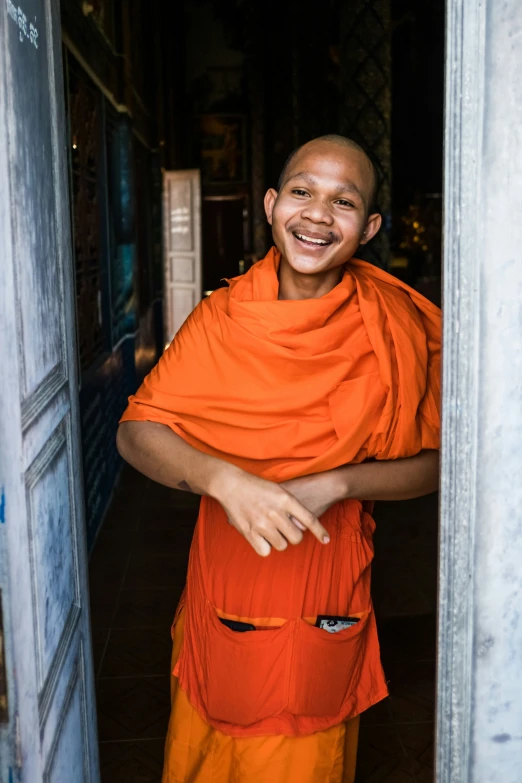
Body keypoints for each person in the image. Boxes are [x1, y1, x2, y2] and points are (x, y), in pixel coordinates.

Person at [117, 134, 441, 782]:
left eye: (343, 201)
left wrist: (339, 482)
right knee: (205, 752)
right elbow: (137, 432)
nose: (319, 215)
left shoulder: (393, 324)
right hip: (226, 576)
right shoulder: (223, 318)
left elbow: (438, 465)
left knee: (307, 756)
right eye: (302, 191)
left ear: (370, 226)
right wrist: (222, 480)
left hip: (326, 583)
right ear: (270, 204)